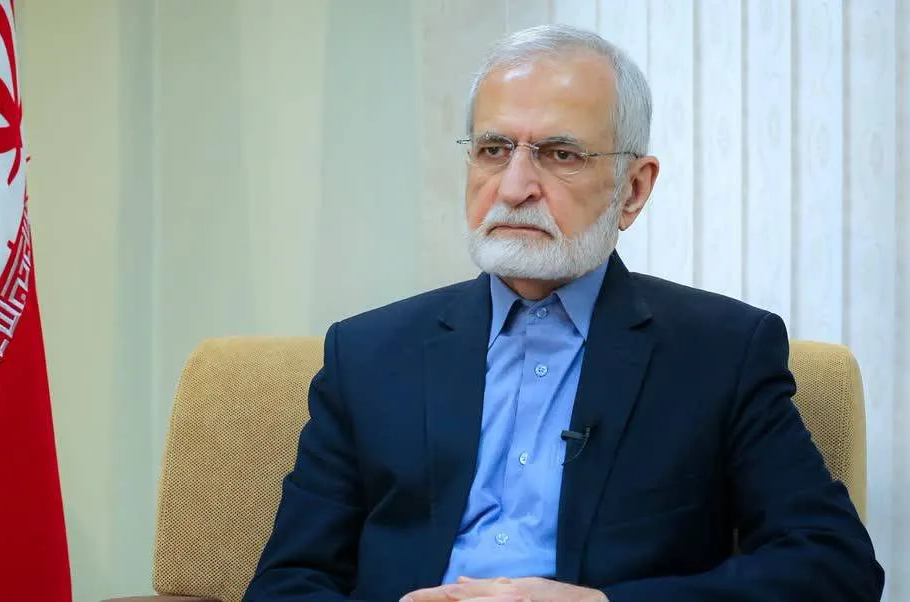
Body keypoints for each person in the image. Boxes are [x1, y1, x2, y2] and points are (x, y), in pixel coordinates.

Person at [243, 24, 883, 602]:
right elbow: (287, 581)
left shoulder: (721, 352)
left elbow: (834, 566)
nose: (514, 187)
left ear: (633, 189)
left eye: (560, 154)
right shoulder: (367, 353)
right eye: (494, 149)